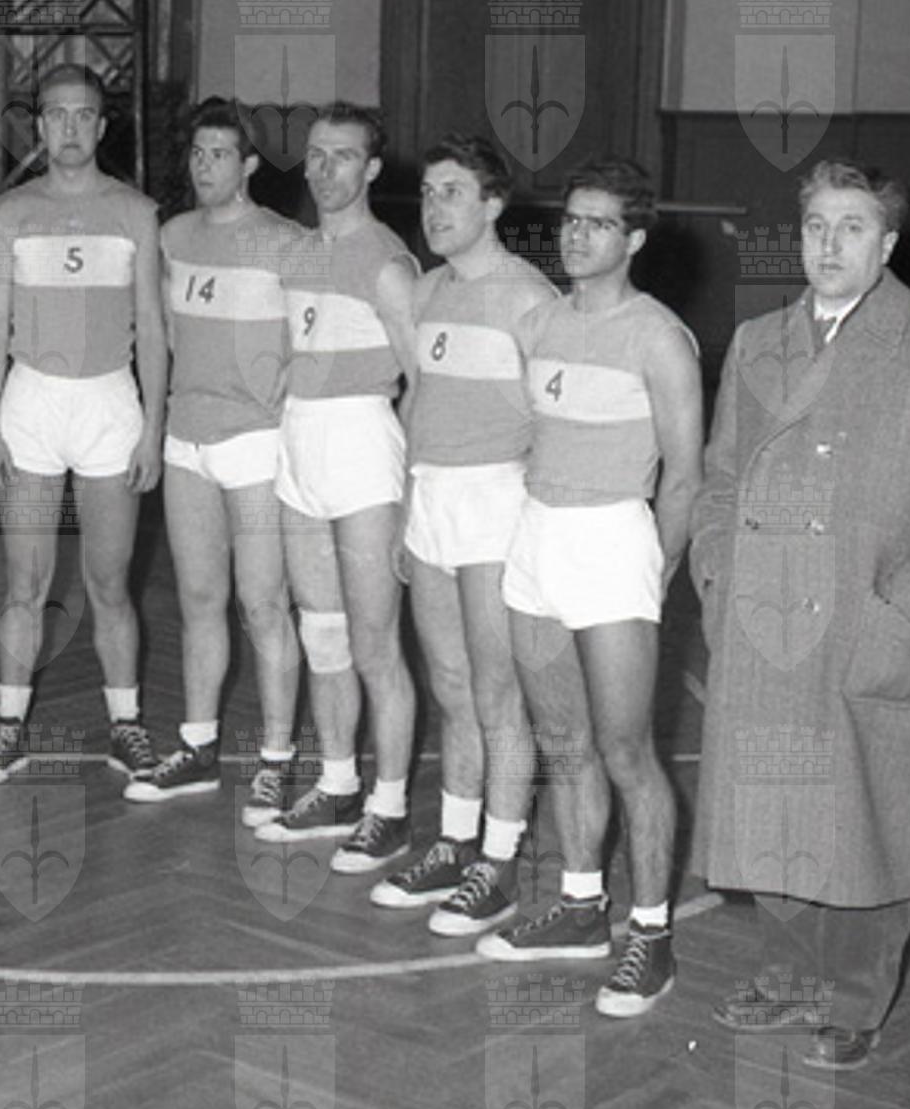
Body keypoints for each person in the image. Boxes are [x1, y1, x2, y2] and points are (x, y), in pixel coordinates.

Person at [691, 161, 910, 1070]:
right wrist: (717, 576)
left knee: (866, 816)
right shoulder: (758, 341)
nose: (828, 245)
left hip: (865, 620)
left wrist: (902, 614)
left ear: (888, 243)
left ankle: (852, 995)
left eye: (851, 227)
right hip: (762, 621)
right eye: (814, 226)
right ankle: (789, 974)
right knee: (772, 802)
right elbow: (719, 478)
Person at [482, 157, 703, 1021]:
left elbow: (684, 475)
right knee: (561, 742)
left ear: (633, 239)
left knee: (625, 752)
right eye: (570, 219)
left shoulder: (659, 338)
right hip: (537, 537)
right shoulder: (538, 323)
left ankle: (650, 935)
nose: (575, 235)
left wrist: (654, 570)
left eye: (597, 223)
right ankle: (581, 906)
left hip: (613, 543)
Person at [374, 136, 558, 931]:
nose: (433, 207)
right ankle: (454, 843)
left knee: (496, 693)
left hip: (495, 502)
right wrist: (405, 505)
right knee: (449, 684)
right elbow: (417, 402)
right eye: (426, 192)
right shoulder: (425, 293)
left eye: (451, 192)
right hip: (431, 503)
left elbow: (553, 420)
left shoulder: (529, 299)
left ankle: (499, 862)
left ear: (492, 205)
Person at [0, 63, 167, 787]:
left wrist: (152, 428)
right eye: (57, 115)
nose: (71, 128)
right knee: (25, 583)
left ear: (103, 125)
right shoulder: (9, 214)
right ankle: (8, 729)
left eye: (84, 115)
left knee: (109, 584)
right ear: (39, 126)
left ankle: (126, 726)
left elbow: (153, 328)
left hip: (109, 405)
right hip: (30, 406)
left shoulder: (136, 212)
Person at [256, 106, 420, 871]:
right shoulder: (296, 255)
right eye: (316, 156)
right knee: (321, 636)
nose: (324, 170)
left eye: (343, 156)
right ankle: (337, 785)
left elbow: (422, 383)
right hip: (301, 447)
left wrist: (412, 495)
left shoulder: (388, 264)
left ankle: (390, 808)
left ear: (371, 169)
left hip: (361, 450)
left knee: (375, 646)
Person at [145, 103, 305, 806]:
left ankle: (275, 758)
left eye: (219, 154)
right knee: (199, 599)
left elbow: (311, 341)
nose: (204, 165)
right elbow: (167, 331)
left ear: (248, 166)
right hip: (188, 439)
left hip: (255, 444)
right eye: (197, 153)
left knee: (263, 603)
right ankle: (198, 745)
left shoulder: (286, 242)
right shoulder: (173, 236)